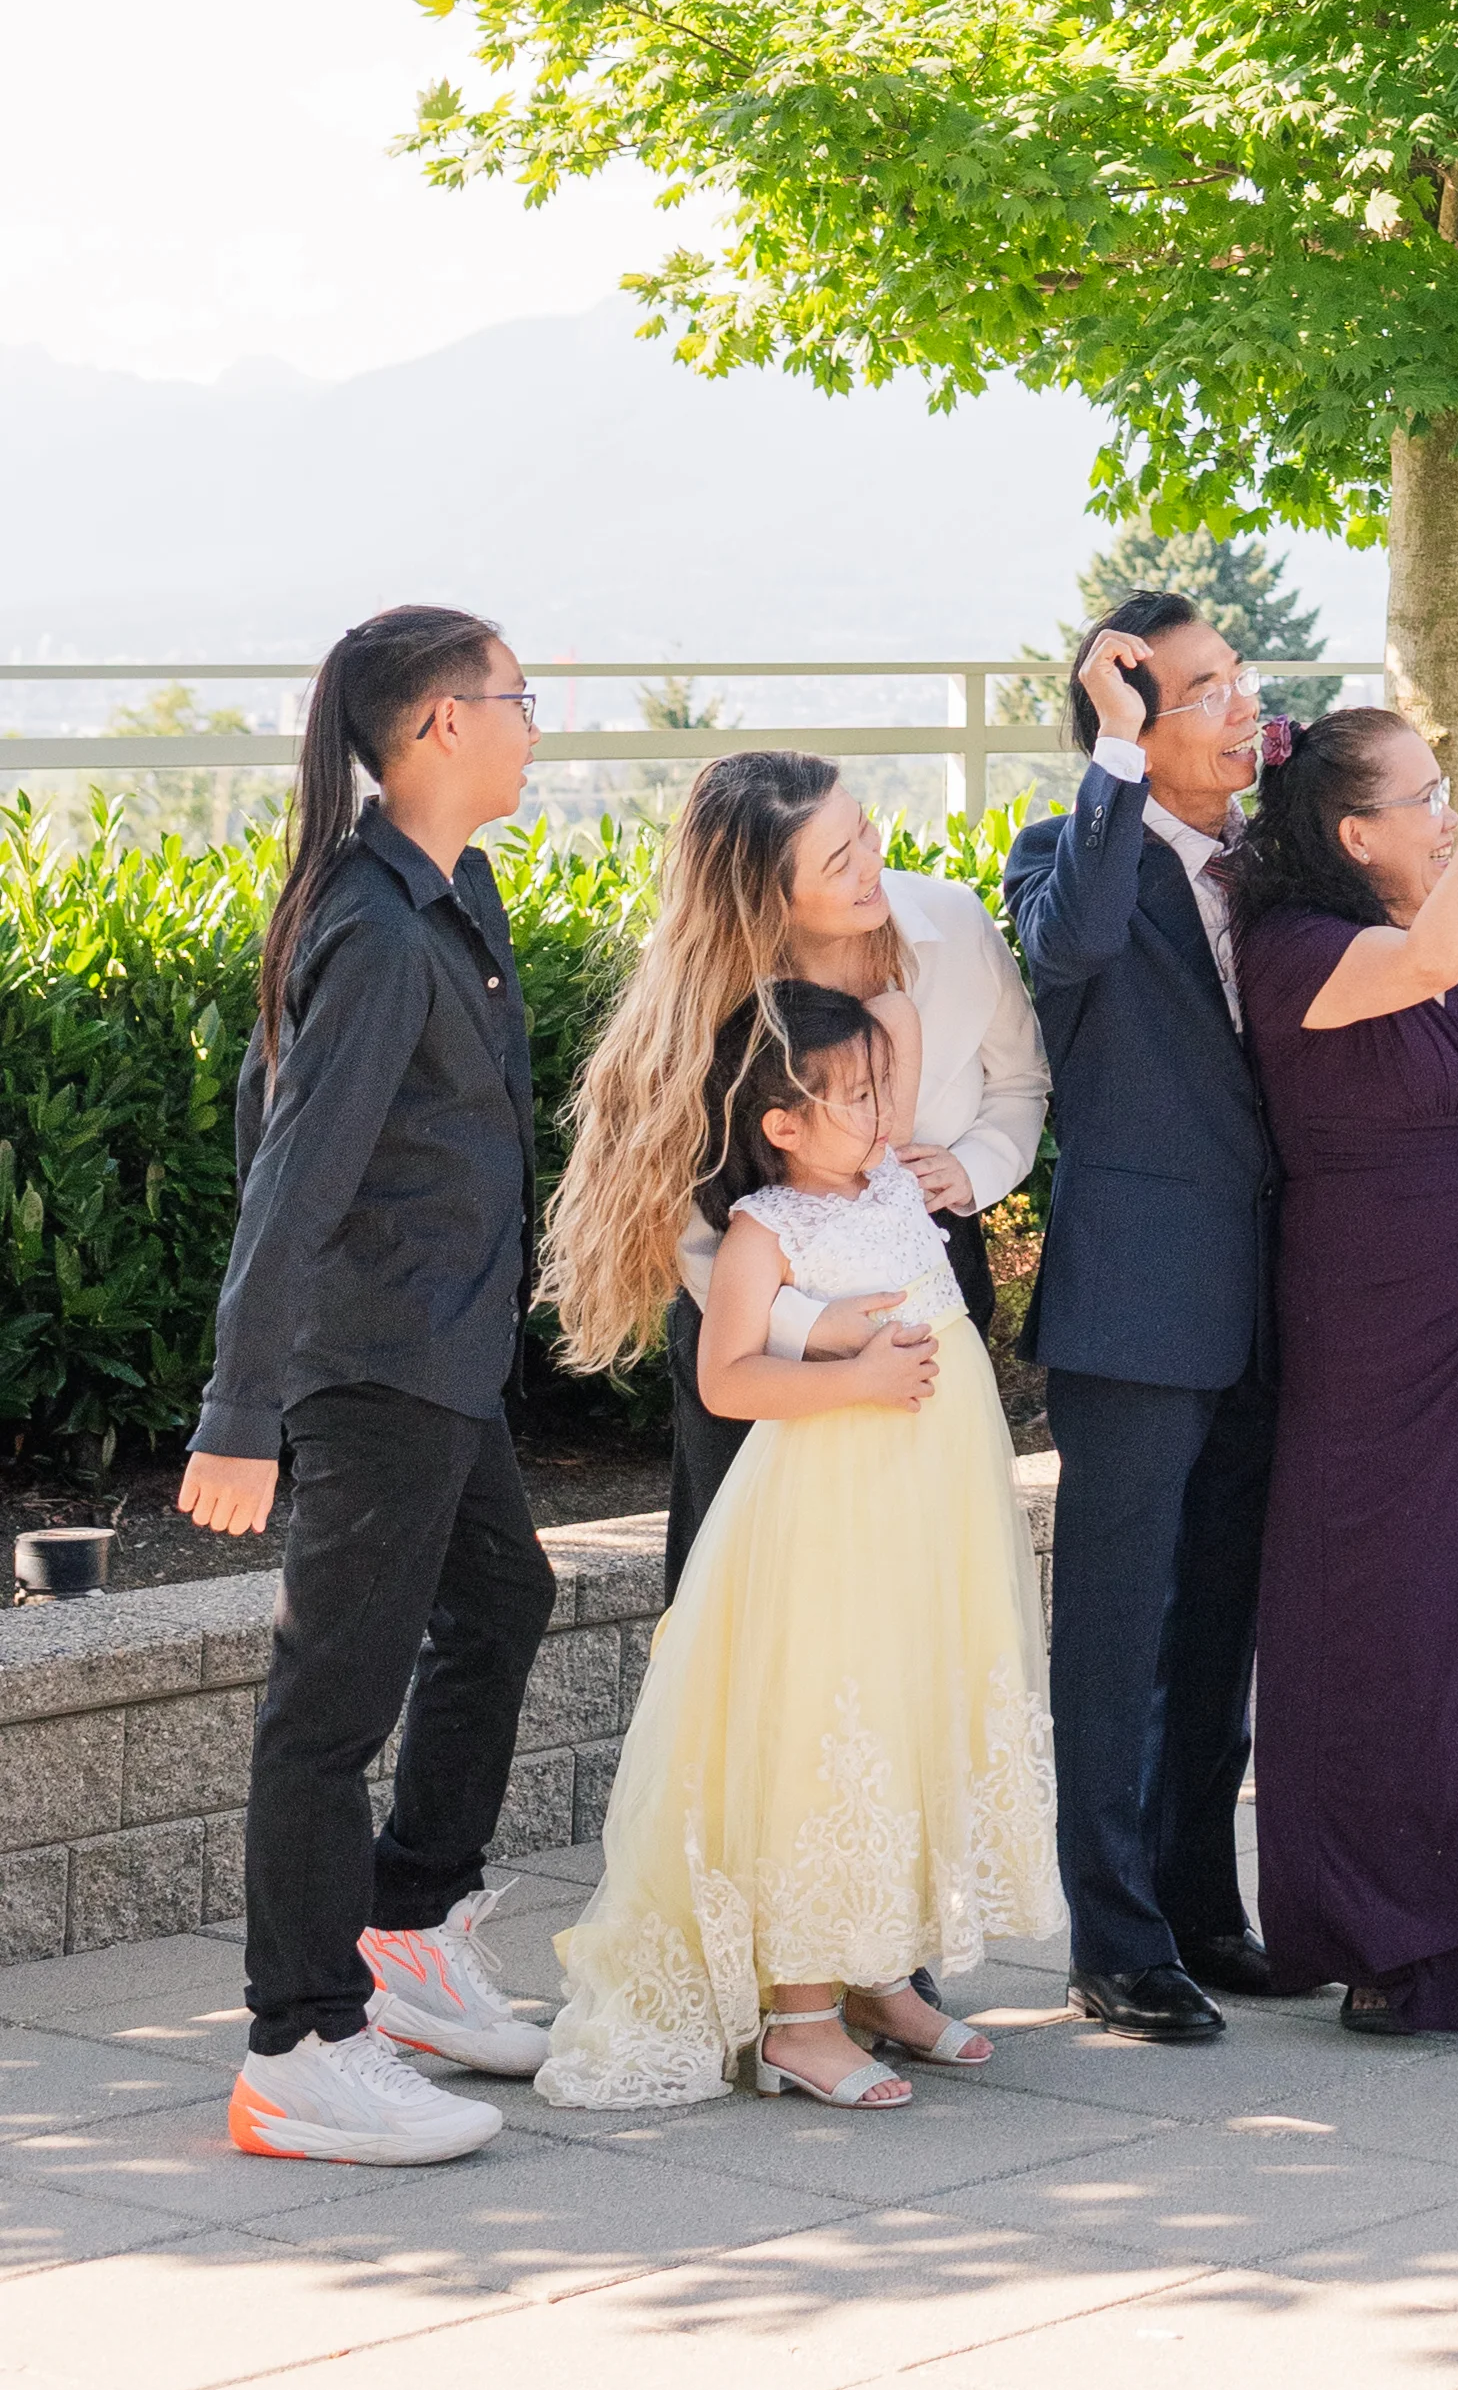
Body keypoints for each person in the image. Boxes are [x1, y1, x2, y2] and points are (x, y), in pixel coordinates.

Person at [180, 603, 560, 2170]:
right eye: (520, 693)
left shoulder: (444, 890)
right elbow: (296, 1174)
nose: (539, 717)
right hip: (377, 1366)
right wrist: (239, 1408)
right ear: (441, 726)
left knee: (505, 1601)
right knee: (327, 1706)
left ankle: (407, 1926)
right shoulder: (385, 927)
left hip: (441, 1356)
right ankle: (298, 2041)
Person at [538, 980, 1059, 2107]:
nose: (885, 1109)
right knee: (833, 1724)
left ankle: (875, 1971)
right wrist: (855, 1373)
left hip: (932, 1507)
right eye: (857, 1095)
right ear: (780, 1124)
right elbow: (728, 1380)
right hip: (835, 1513)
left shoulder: (887, 1178)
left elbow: (904, 1017)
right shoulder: (764, 1231)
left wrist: (857, 948)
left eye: (883, 1090)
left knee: (906, 1710)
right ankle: (799, 2016)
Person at [1232, 680, 1458, 2034]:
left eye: (1452, 790)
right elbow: (1429, 965)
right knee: (1378, 1621)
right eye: (1425, 795)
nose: (1446, 814)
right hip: (1368, 1313)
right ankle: (1374, 1928)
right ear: (1353, 830)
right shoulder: (1294, 945)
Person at [536, 747, 1046, 1591]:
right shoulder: (704, 992)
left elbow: (1023, 1081)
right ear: (769, 896)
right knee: (745, 1589)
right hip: (753, 1321)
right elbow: (690, 1221)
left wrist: (972, 1167)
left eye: (865, 831)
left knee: (923, 1584)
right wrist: (813, 1330)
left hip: (930, 1292)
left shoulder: (952, 921)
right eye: (838, 860)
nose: (872, 863)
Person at [1002, 587, 1282, 2042]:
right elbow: (1072, 950)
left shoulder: (1272, 856)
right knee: (1116, 1630)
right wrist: (1112, 758)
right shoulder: (1069, 848)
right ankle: (1113, 1938)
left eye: (1241, 676)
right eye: (1203, 688)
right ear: (1126, 712)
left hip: (1268, 1293)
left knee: (1220, 1620)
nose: (1241, 704)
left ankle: (1199, 1903)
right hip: (1135, 1299)